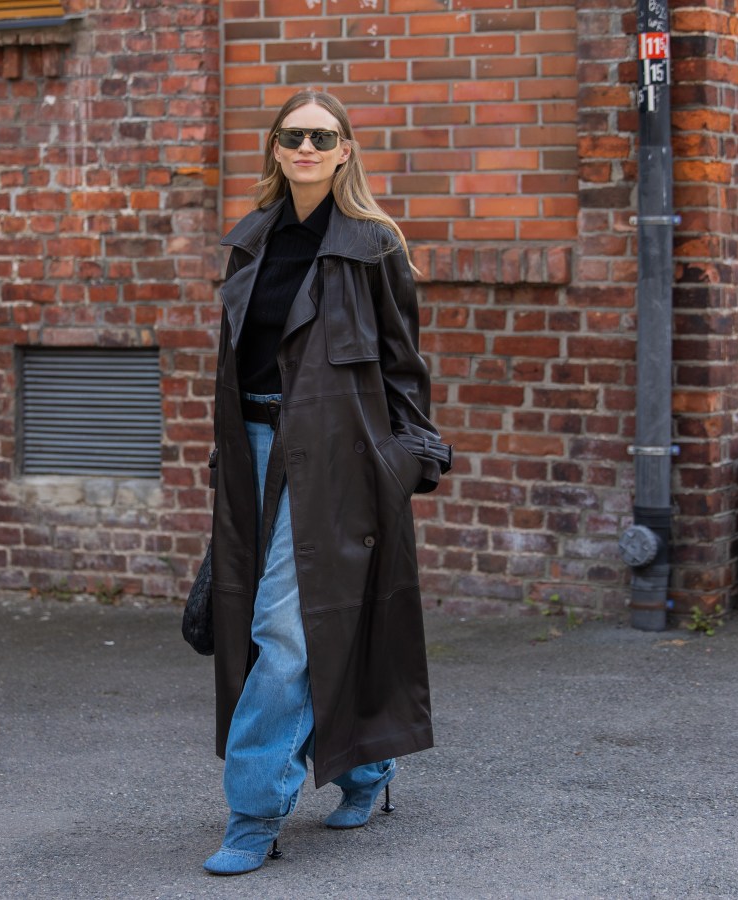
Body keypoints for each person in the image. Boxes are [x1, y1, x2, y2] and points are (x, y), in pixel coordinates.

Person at [203, 90, 452, 876]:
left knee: (285, 629)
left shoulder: (374, 245)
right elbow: (236, 367)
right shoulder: (248, 244)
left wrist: (409, 457)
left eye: (323, 135)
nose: (307, 147)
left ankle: (253, 811)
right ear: (274, 149)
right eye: (293, 135)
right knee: (265, 624)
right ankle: (366, 765)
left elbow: (402, 369)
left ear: (346, 150)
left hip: (340, 457)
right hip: (253, 451)